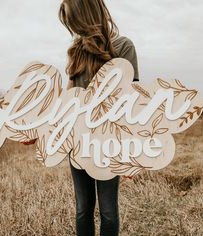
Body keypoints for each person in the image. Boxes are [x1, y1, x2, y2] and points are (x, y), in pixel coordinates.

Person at [58, 1, 139, 236]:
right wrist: (39, 131)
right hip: (77, 144)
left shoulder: (123, 47)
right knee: (83, 209)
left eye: (74, 22)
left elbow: (130, 104)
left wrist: (131, 153)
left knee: (108, 211)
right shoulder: (75, 52)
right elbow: (68, 101)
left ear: (86, 15)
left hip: (108, 144)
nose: (74, 29)